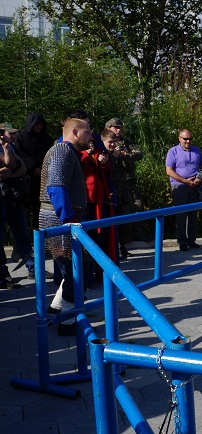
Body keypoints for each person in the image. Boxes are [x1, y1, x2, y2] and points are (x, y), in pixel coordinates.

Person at [40, 118, 93, 336]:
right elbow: (55, 187)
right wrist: (69, 219)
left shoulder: (65, 152)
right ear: (75, 132)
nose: (91, 137)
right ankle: (69, 321)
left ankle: (56, 308)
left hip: (58, 218)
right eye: (87, 133)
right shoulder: (61, 151)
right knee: (82, 270)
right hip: (60, 219)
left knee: (71, 270)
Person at [0, 123, 35, 287]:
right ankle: (2, 273)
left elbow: (19, 167)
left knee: (22, 234)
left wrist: (7, 149)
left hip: (13, 196)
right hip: (1, 197)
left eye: (14, 134)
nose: (12, 136)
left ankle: (32, 268)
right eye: (9, 133)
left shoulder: (11, 147)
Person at [80, 130, 117, 281]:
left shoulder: (97, 149)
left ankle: (100, 273)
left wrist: (103, 162)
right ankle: (87, 275)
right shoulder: (73, 150)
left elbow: (104, 169)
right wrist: (86, 155)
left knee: (101, 236)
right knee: (86, 239)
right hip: (84, 202)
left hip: (99, 201)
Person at [106, 118, 143, 258]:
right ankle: (113, 248)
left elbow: (139, 153)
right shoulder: (105, 142)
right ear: (108, 128)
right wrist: (114, 155)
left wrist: (126, 155)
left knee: (127, 217)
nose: (118, 130)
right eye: (115, 127)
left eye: (120, 127)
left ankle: (123, 246)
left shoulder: (126, 143)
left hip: (127, 186)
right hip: (113, 186)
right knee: (113, 218)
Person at [165, 129, 202, 251]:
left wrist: (199, 179)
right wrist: (185, 181)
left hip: (195, 185)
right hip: (179, 186)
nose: (188, 141)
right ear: (179, 138)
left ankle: (191, 240)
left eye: (190, 139)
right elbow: (169, 171)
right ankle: (182, 241)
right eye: (185, 139)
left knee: (193, 214)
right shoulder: (173, 151)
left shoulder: (197, 150)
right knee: (181, 215)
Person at [13, 112, 53, 230]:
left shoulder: (47, 139)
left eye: (41, 124)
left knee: (40, 213)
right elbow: (18, 155)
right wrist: (32, 168)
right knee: (22, 213)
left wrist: (43, 171)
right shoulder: (20, 137)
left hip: (42, 180)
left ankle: (40, 241)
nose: (39, 127)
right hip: (25, 179)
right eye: (36, 124)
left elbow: (50, 156)